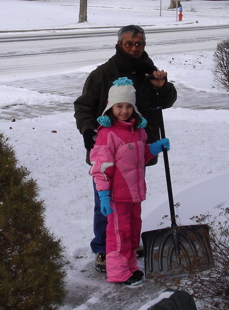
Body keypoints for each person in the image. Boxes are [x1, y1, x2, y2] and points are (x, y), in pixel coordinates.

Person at [74, 25, 177, 273]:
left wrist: (161, 87)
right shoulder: (102, 74)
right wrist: (89, 131)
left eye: (138, 43)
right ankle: (102, 247)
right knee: (105, 200)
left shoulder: (149, 72)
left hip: (135, 149)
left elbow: (166, 101)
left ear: (144, 45)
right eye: (129, 43)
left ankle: (127, 243)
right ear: (118, 44)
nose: (134, 48)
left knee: (130, 199)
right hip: (107, 149)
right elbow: (83, 106)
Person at [89, 77, 170, 286]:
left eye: (128, 106)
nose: (124, 111)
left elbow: (139, 156)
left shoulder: (138, 131)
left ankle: (130, 267)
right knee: (118, 234)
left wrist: (154, 148)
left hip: (134, 194)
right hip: (117, 196)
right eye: (119, 106)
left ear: (134, 108)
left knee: (133, 231)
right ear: (110, 107)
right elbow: (101, 167)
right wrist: (104, 195)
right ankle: (117, 272)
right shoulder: (107, 134)